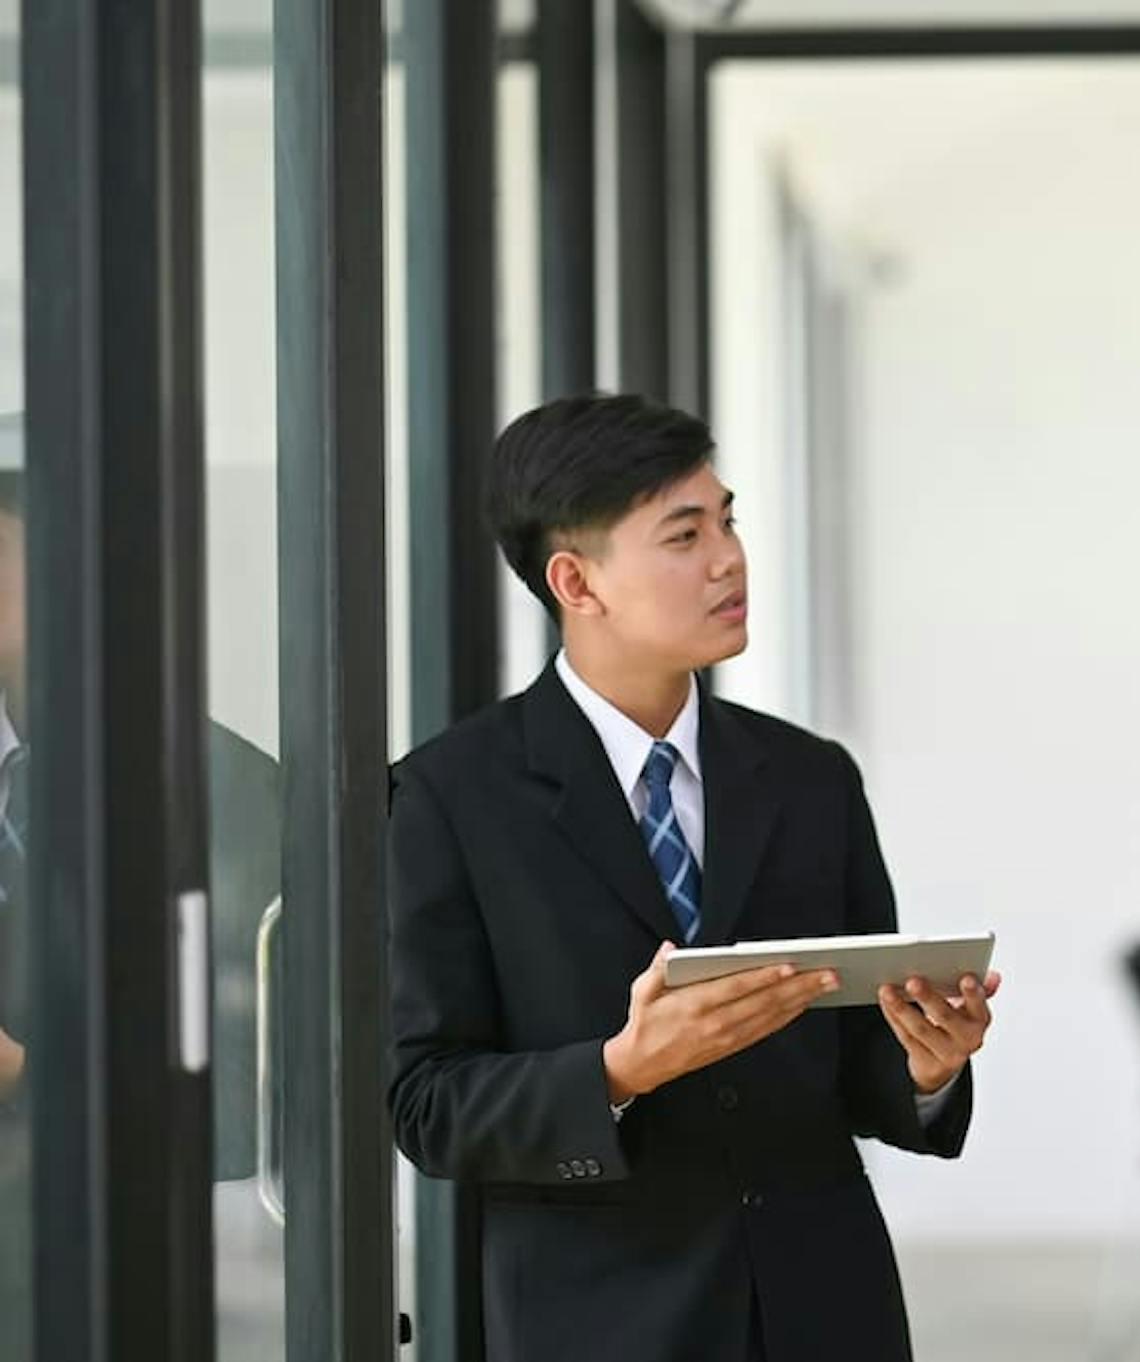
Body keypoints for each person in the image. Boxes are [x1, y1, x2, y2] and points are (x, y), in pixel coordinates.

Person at [387, 394, 998, 1362]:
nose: (728, 557)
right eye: (684, 534)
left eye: (728, 520)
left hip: (823, 1310)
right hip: (597, 1322)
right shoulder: (449, 798)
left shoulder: (808, 779)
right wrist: (619, 1070)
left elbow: (856, 1071)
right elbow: (426, 1103)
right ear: (575, 582)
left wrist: (927, 1065)